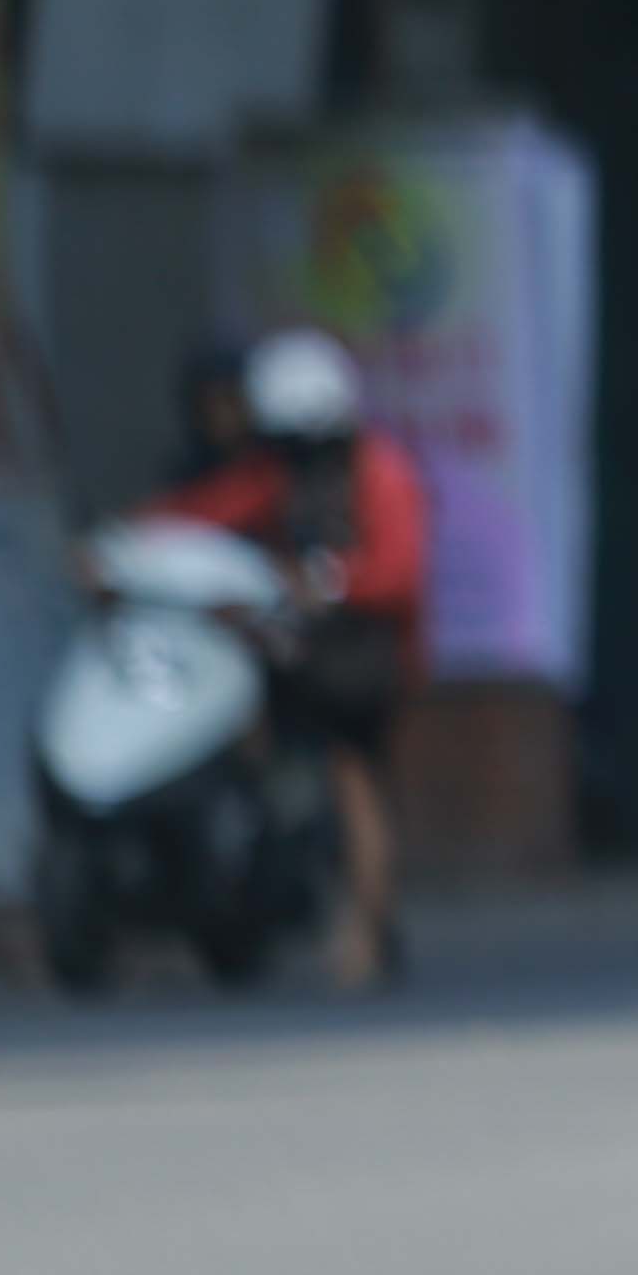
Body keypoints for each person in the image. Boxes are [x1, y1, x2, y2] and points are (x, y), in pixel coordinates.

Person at [150, 327, 430, 989]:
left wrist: (329, 580)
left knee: (356, 779)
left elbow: (398, 570)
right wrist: (136, 538)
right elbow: (219, 507)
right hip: (296, 649)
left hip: (365, 654)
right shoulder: (281, 472)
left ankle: (367, 931)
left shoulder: (379, 470)